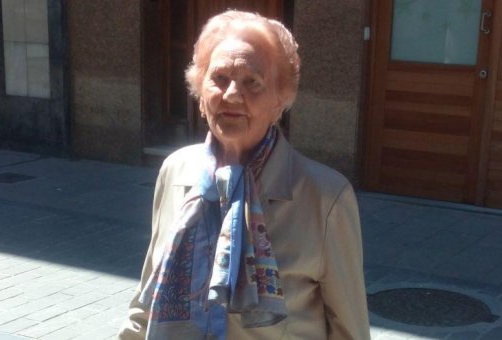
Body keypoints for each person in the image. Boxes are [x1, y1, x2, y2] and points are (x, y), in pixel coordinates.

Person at [118, 10, 369, 340]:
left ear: (281, 99)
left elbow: (350, 331)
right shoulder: (176, 171)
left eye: (253, 82)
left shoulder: (325, 197)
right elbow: (149, 296)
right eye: (219, 79)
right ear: (199, 89)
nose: (232, 95)